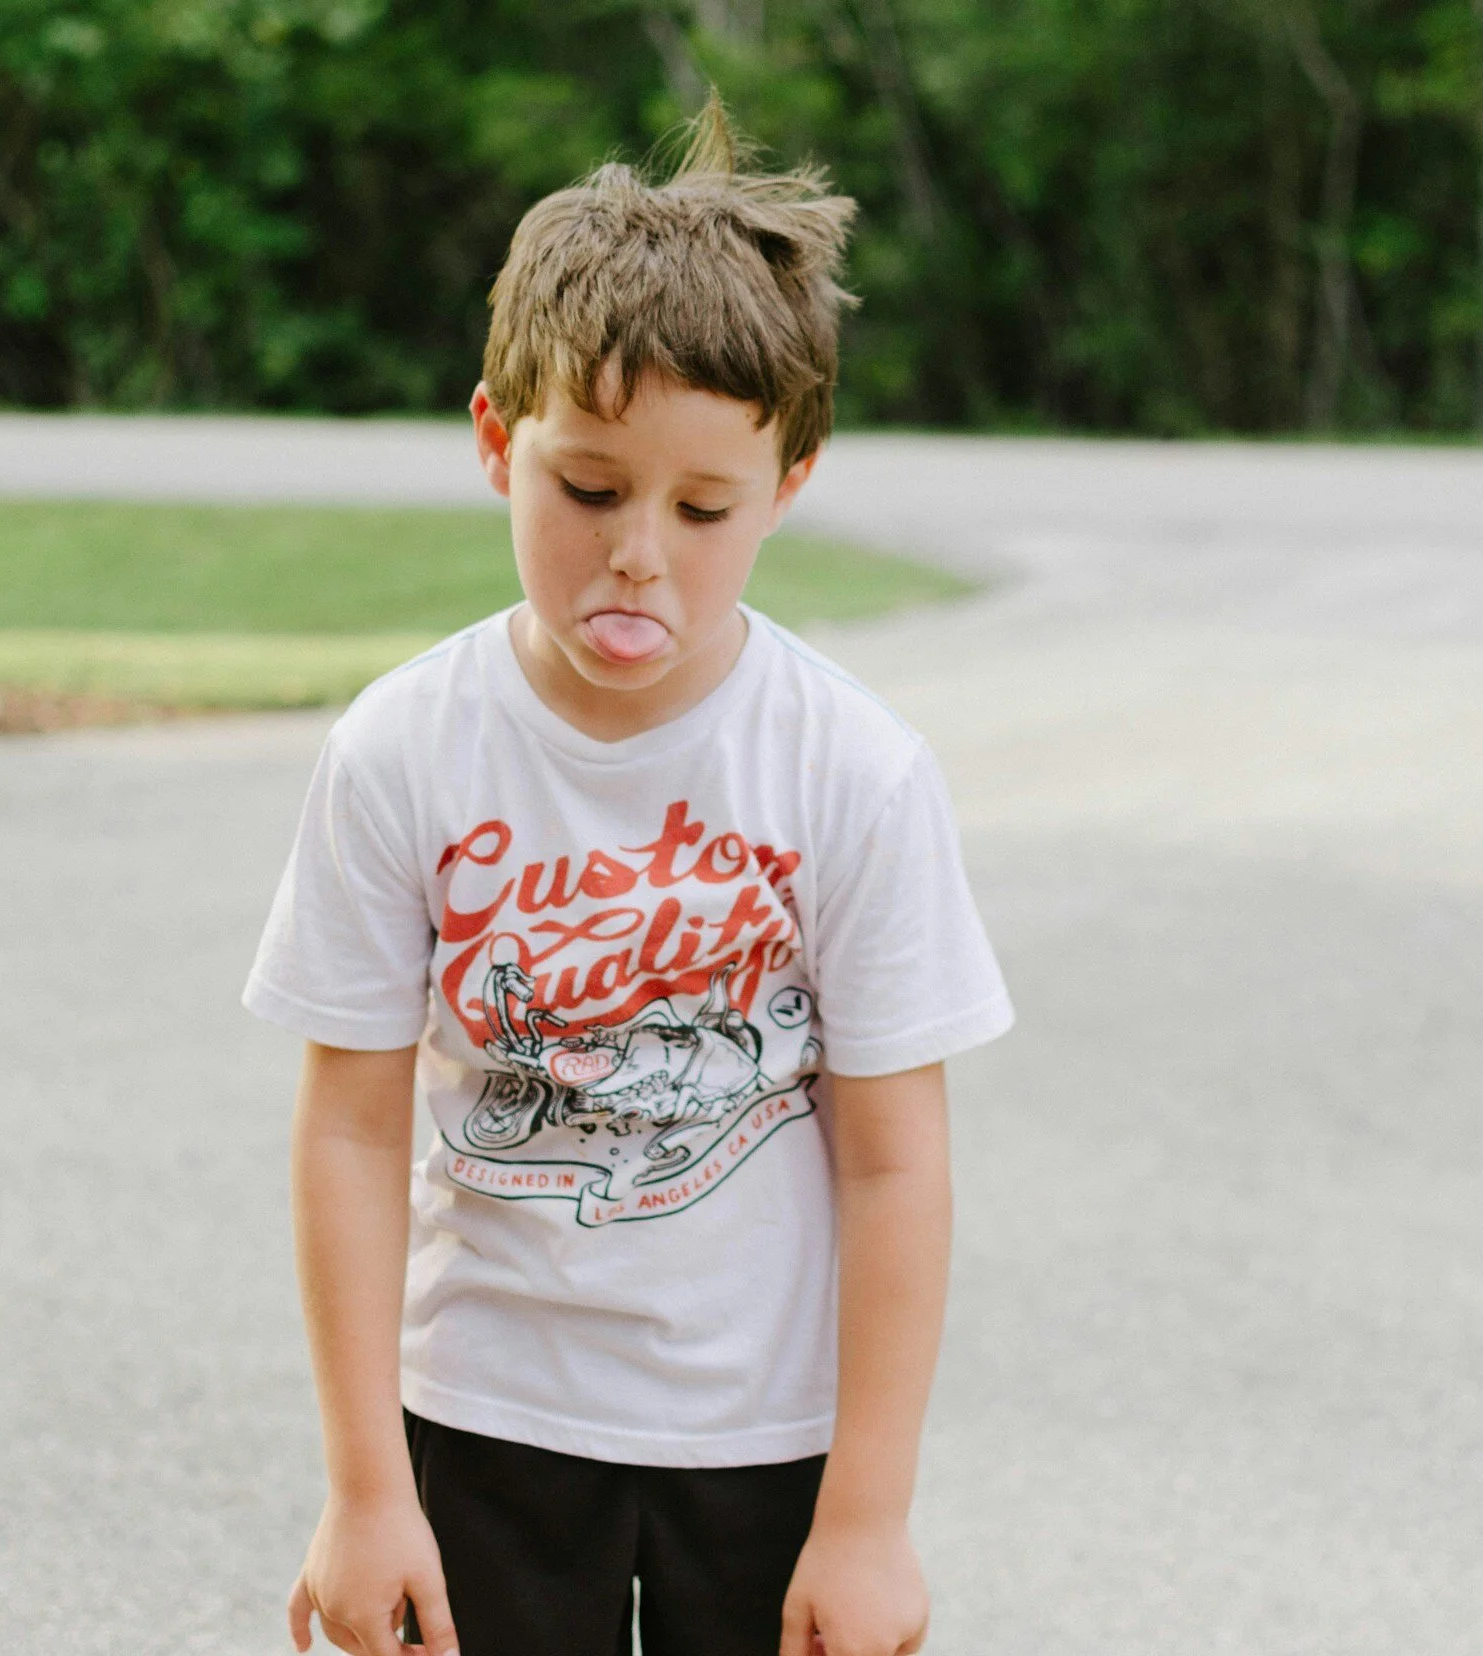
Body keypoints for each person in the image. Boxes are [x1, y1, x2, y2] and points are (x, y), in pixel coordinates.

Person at [244, 98, 1012, 1656]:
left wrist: (866, 1518)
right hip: (485, 1418)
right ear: (492, 441)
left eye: (704, 508)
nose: (640, 555)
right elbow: (346, 1119)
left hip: (766, 1439)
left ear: (789, 481)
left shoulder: (851, 772)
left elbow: (894, 1161)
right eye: (588, 490)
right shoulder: (404, 748)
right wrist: (361, 1489)